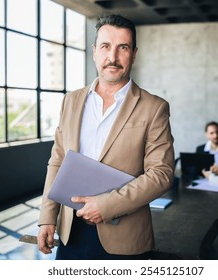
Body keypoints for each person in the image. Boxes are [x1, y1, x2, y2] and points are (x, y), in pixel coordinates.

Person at [37, 14, 175, 260]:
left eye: (122, 47)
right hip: (71, 232)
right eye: (105, 46)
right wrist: (47, 217)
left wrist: (106, 206)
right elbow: (57, 160)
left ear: (133, 53)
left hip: (125, 238)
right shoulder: (70, 101)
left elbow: (161, 174)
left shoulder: (154, 107)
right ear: (94, 51)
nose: (113, 57)